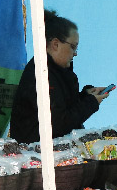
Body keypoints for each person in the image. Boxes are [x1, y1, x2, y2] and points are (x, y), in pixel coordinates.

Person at [9, 9, 110, 143]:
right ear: (55, 44)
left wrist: (86, 95)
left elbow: (63, 106)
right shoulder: (41, 74)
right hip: (34, 151)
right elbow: (58, 123)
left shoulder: (55, 70)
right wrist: (91, 102)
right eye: (73, 47)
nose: (75, 53)